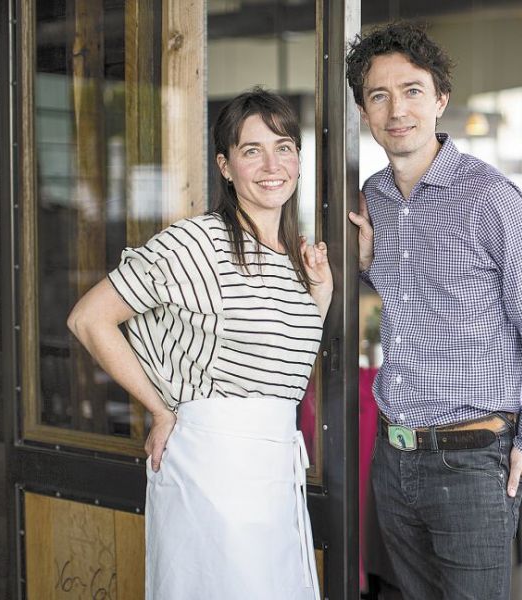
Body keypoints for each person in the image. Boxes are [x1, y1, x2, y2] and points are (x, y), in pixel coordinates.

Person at [67, 87, 331, 600]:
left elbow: (286, 363)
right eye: (251, 150)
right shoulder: (197, 243)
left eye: (284, 146)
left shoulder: (297, 258)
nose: (271, 163)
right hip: (211, 466)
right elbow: (88, 319)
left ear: (298, 158)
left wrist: (319, 292)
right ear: (226, 166)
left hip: (276, 470)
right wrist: (160, 410)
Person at [346, 22, 522, 600]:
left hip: (474, 461)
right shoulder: (372, 197)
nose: (397, 109)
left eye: (412, 90)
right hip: (394, 461)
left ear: (440, 99)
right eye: (379, 95)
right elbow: (411, 293)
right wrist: (369, 263)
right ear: (365, 113)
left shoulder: (490, 196)